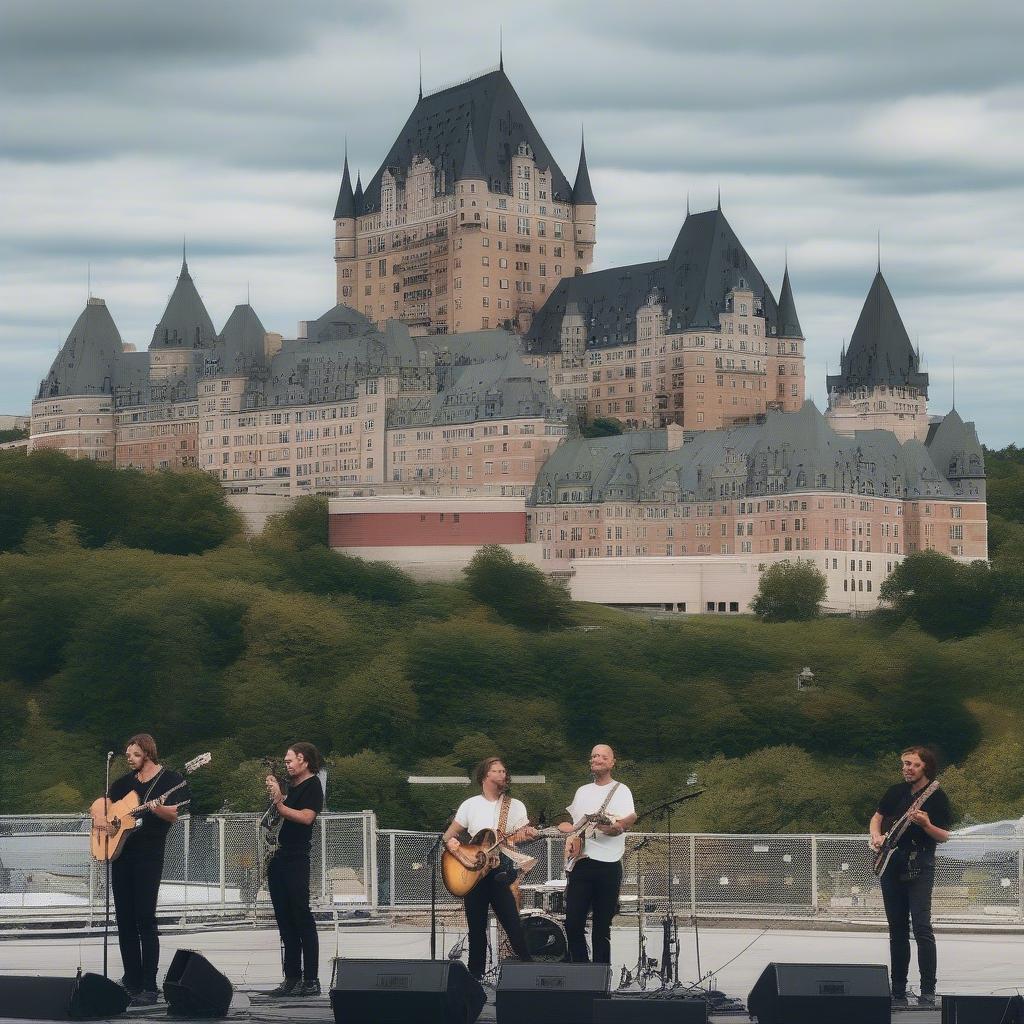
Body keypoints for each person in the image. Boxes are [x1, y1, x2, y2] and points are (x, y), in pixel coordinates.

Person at [91, 734, 188, 1007]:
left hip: (148, 856)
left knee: (145, 918)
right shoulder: (124, 783)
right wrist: (105, 822)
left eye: (134, 754)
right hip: (121, 855)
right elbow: (99, 806)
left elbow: (174, 814)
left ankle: (149, 984)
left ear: (147, 752)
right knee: (124, 919)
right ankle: (131, 978)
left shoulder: (170, 780)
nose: (129, 759)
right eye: (127, 755)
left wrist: (156, 808)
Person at [869, 746, 952, 1007]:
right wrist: (876, 836)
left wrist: (926, 824)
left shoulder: (936, 797)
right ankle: (898, 990)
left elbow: (944, 836)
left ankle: (928, 989)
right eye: (905, 763)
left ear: (925, 767)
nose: (907, 768)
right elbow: (877, 817)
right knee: (897, 928)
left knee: (922, 927)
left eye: (913, 764)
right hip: (892, 861)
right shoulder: (895, 791)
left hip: (921, 862)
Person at [443, 757, 537, 979]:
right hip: (474, 872)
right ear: (485, 776)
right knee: (476, 931)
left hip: (500, 873)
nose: (502, 773)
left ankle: (532, 974)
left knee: (513, 925)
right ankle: (475, 979)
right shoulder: (470, 804)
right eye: (496, 770)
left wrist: (530, 834)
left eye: (504, 770)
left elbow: (521, 836)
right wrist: (453, 843)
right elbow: (449, 835)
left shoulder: (514, 806)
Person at [559, 744, 636, 965]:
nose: (597, 759)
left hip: (609, 865)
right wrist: (570, 837)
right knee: (573, 923)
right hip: (582, 863)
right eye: (593, 756)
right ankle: (582, 972)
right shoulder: (582, 791)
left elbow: (628, 818)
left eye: (603, 756)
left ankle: (601, 975)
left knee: (602, 927)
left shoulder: (621, 790)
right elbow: (574, 826)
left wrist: (617, 827)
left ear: (612, 762)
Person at [265, 742, 325, 997]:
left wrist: (280, 804)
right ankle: (291, 977)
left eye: (290, 761)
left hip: (297, 856)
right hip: (278, 855)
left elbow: (306, 817)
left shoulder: (313, 786)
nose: (287, 765)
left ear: (303, 760)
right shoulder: (293, 787)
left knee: (301, 915)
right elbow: (278, 817)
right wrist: (276, 795)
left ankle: (311, 979)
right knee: (284, 917)